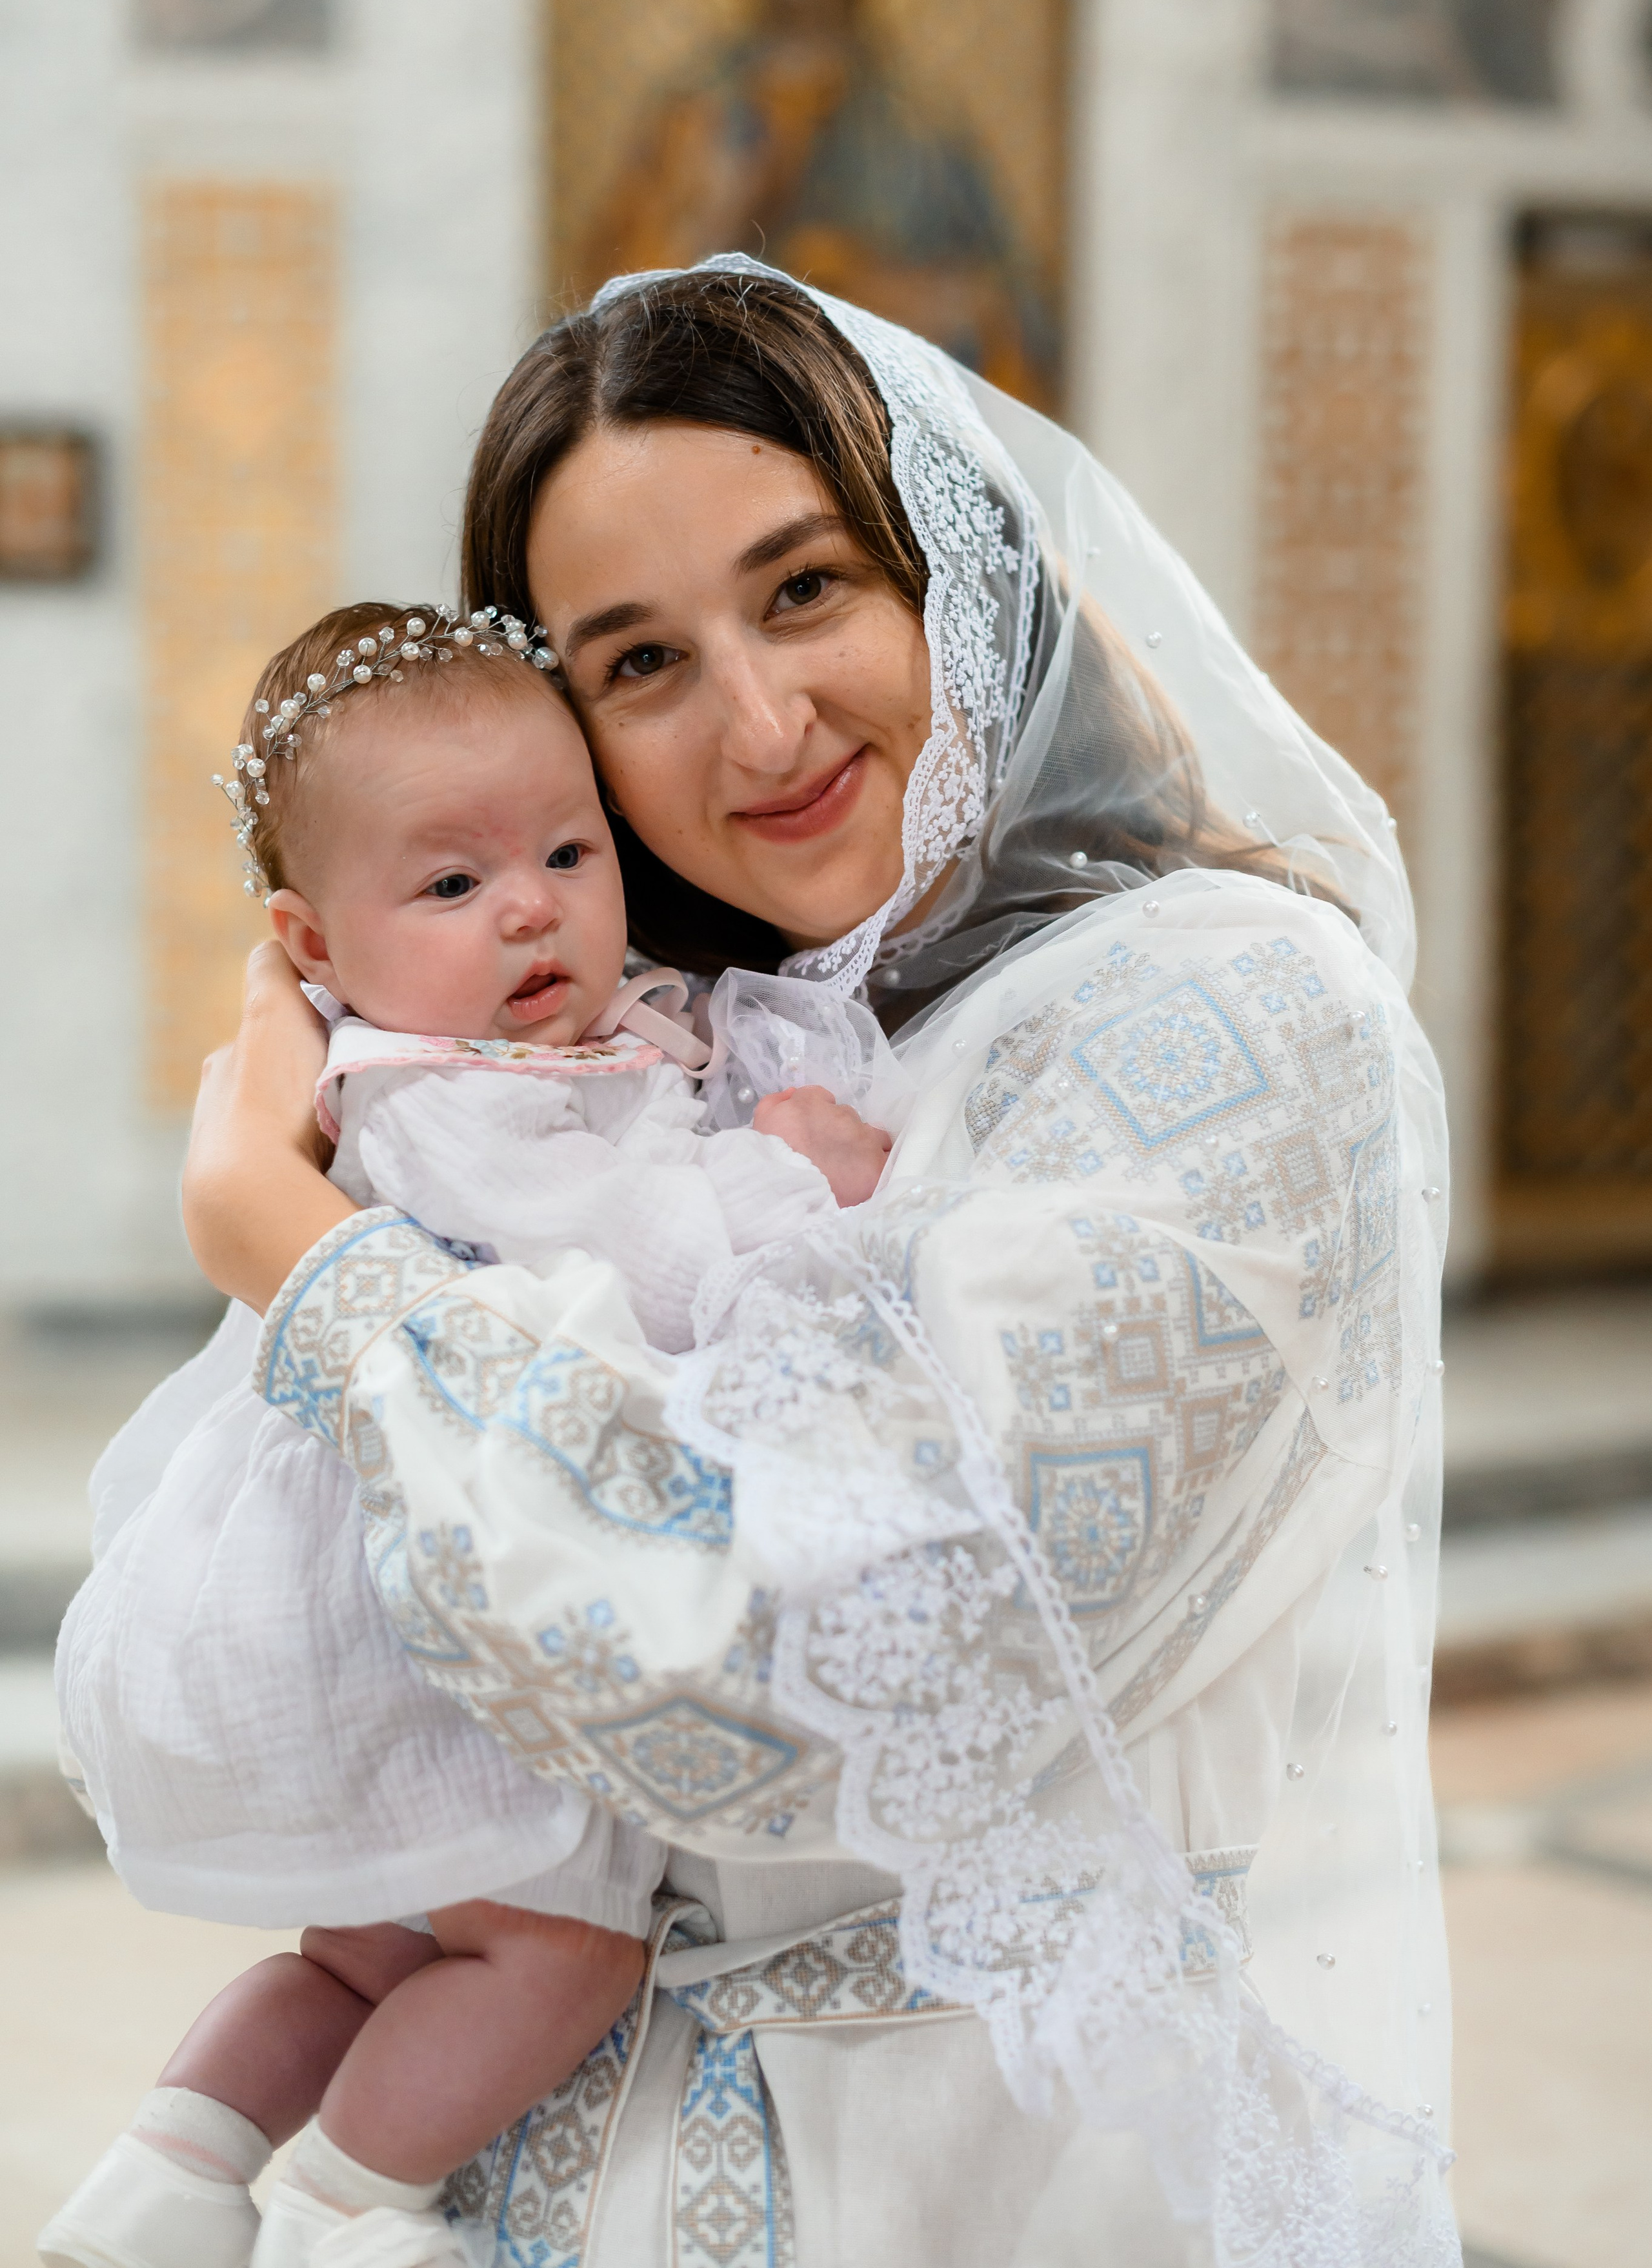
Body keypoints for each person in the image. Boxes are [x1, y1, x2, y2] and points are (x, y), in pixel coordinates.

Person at [112, 259, 1458, 2267]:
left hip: (980, 2193)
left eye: (809, 585)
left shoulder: (1236, 1021)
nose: (758, 720)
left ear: (957, 568)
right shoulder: (696, 1049)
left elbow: (786, 1667)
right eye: (638, 664)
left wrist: (312, 1265)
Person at [43, 590, 892, 2268]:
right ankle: (351, 2207)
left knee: (356, 1962)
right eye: (450, 884)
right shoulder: (449, 1099)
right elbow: (629, 1269)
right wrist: (788, 1175)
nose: (530, 909)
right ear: (308, 941)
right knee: (559, 1956)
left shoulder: (446, 1056)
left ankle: (165, 2175)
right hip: (436, 1623)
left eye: (568, 854)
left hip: (359, 1610)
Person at [583, 0, 1056, 405]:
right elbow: (620, 301)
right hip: (735, 399)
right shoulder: (702, 110)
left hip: (883, 401)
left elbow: (1010, 295)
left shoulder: (917, 120)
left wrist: (937, 297)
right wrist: (725, 211)